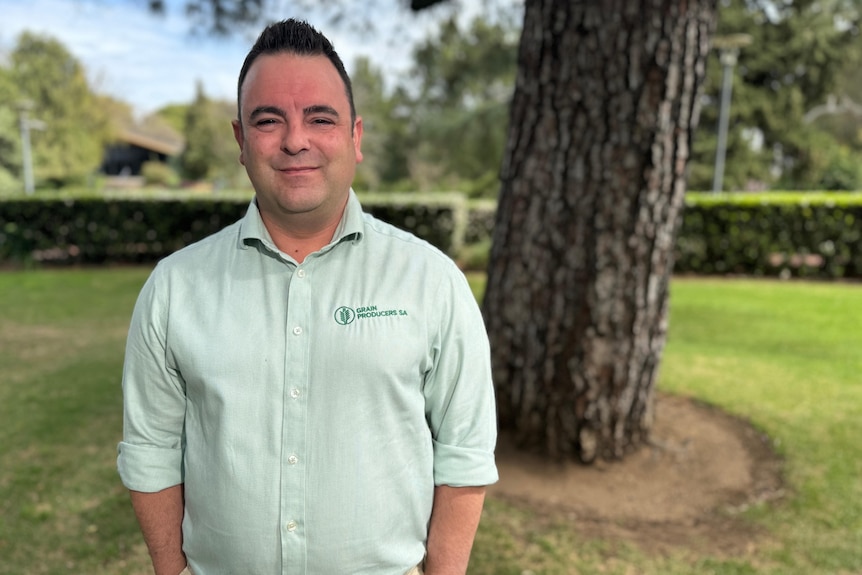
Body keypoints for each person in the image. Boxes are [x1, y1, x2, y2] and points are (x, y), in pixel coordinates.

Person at [117, 18, 498, 575]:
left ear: (355, 137)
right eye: (269, 121)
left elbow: (464, 453)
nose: (295, 140)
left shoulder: (432, 282)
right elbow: (150, 450)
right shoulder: (174, 288)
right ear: (241, 143)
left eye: (320, 118)